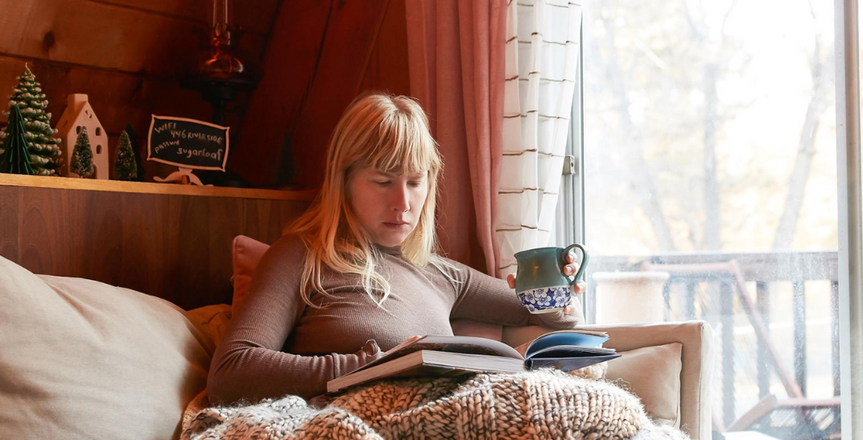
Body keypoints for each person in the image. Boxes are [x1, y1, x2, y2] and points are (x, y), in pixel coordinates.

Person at [208, 92, 585, 405]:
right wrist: (377, 365)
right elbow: (232, 373)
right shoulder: (300, 257)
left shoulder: (443, 274)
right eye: (383, 181)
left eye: (415, 182)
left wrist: (562, 299)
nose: (403, 202)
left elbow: (535, 309)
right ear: (345, 181)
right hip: (353, 429)